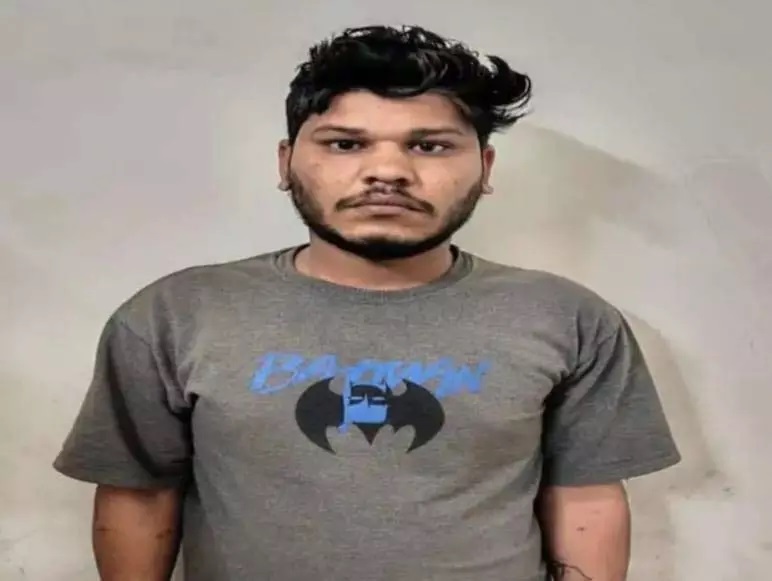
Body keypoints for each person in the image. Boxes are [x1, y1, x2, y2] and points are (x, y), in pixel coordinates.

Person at [54, 24, 681, 581]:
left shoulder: (566, 318)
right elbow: (139, 494)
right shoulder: (176, 314)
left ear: (485, 167)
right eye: (345, 144)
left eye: (429, 145)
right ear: (286, 162)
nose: (389, 172)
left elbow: (586, 500)